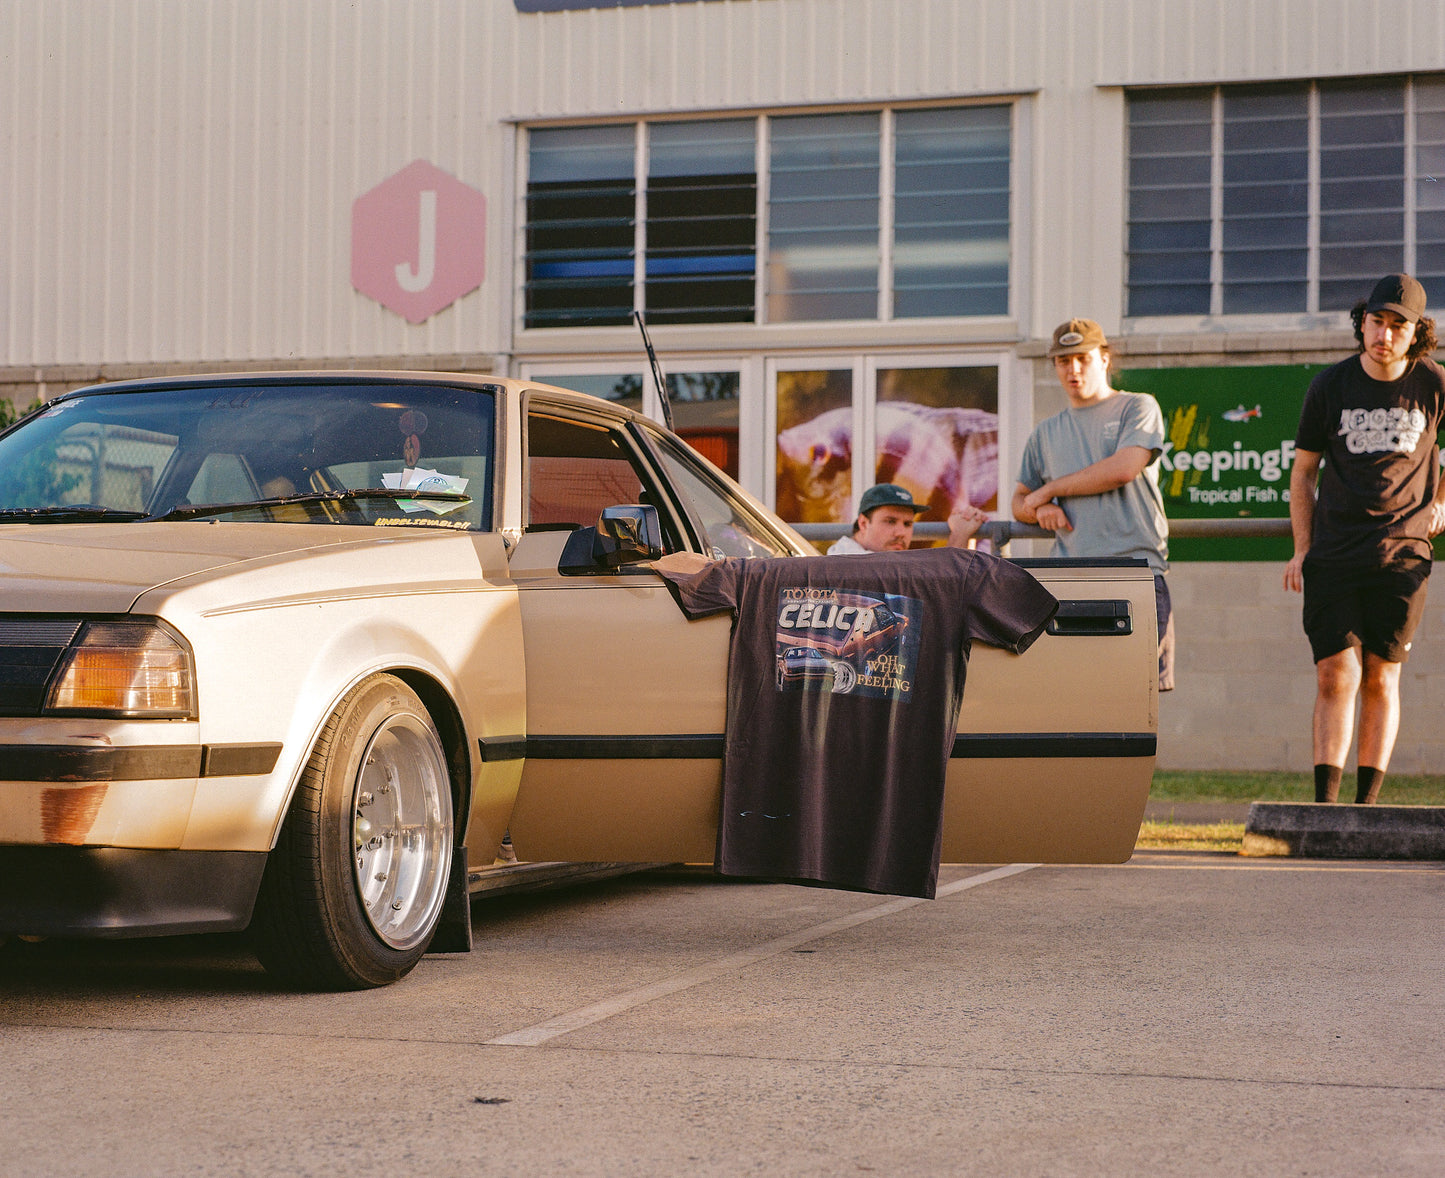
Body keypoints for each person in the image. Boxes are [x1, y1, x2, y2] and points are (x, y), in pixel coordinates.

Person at [1283, 273, 1445, 805]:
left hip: (1404, 554)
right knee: (1337, 672)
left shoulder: (1435, 385)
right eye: (1377, 321)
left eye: (1398, 325)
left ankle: (1365, 809)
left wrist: (1440, 503)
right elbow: (1303, 472)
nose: (1384, 334)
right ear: (1364, 321)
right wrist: (1301, 548)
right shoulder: (1329, 385)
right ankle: (1326, 807)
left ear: (1416, 332)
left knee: (1382, 674)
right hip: (1334, 552)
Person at [1012, 319, 1174, 690]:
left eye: (1082, 358)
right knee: (1077, 696)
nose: (1074, 369)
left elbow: (1124, 469)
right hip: (1069, 578)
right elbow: (1019, 501)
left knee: (1136, 699)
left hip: (1137, 572)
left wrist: (1050, 489)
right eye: (1063, 361)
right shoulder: (1045, 432)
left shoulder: (1138, 407)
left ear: (1104, 358)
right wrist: (1039, 509)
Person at [826, 482, 986, 554]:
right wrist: (960, 533)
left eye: (908, 523)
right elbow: (939, 581)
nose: (901, 533)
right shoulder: (848, 560)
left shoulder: (884, 563)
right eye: (890, 521)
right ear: (863, 523)